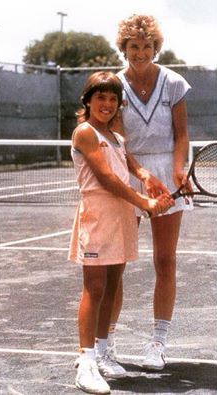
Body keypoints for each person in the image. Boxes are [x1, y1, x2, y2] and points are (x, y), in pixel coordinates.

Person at [68, 71, 174, 394]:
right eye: (101, 97)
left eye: (113, 99)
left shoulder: (116, 137)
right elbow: (107, 179)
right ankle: (85, 362)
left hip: (121, 218)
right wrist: (144, 200)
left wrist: (149, 178)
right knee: (95, 288)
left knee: (113, 286)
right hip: (98, 217)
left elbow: (130, 165)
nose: (107, 104)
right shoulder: (85, 133)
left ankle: (102, 351)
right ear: (88, 100)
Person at [107, 14, 193, 370]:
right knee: (115, 263)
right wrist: (137, 172)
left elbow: (181, 133)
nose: (140, 53)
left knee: (165, 261)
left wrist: (177, 169)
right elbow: (114, 138)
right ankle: (104, 343)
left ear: (155, 48)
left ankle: (158, 342)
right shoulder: (113, 84)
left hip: (166, 175)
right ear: (123, 48)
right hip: (127, 171)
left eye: (146, 46)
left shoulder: (173, 82)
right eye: (133, 47)